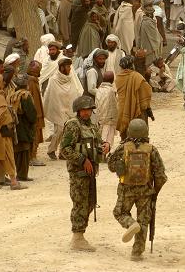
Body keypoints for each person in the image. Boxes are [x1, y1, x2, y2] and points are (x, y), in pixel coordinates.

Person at [108, 118, 167, 261]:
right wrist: (155, 192)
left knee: (120, 212)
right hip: (146, 191)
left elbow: (110, 166)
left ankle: (130, 223)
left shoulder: (123, 147)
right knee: (144, 221)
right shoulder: (151, 149)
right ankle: (137, 253)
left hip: (126, 190)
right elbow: (161, 175)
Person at [60, 95, 110, 252]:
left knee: (89, 203)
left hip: (90, 173)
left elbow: (98, 142)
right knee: (80, 203)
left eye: (89, 109)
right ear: (78, 111)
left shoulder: (92, 126)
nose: (87, 112)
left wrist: (105, 145)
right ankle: (77, 238)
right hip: (78, 173)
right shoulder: (73, 126)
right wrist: (82, 160)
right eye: (84, 110)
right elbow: (65, 149)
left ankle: (80, 235)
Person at [44, 58, 83, 160]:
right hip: (58, 108)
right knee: (59, 130)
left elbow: (75, 92)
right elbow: (50, 96)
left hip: (69, 108)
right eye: (68, 67)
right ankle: (51, 150)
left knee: (68, 131)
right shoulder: (53, 80)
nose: (70, 69)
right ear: (62, 68)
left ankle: (63, 152)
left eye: (70, 66)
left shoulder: (70, 78)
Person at [115, 56, 152, 138]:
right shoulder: (137, 76)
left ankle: (125, 144)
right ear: (132, 65)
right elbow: (147, 90)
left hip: (122, 108)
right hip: (137, 108)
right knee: (140, 128)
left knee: (124, 128)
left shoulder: (118, 77)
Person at [9, 74, 37, 181]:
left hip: (15, 127)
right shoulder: (25, 96)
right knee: (24, 152)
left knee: (17, 151)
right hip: (24, 128)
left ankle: (19, 173)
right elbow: (31, 115)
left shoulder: (13, 95)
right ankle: (22, 175)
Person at [27, 60, 46, 166]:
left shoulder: (33, 80)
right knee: (34, 135)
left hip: (37, 113)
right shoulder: (31, 81)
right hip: (35, 114)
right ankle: (32, 157)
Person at [136, 0, 162, 67]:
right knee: (149, 63)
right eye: (149, 5)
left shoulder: (150, 18)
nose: (150, 8)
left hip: (151, 47)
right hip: (148, 47)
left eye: (151, 5)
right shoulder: (144, 20)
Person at [95, 72, 118, 146]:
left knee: (101, 139)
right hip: (109, 120)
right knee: (108, 141)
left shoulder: (98, 89)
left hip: (99, 119)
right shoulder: (112, 91)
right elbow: (115, 105)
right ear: (112, 80)